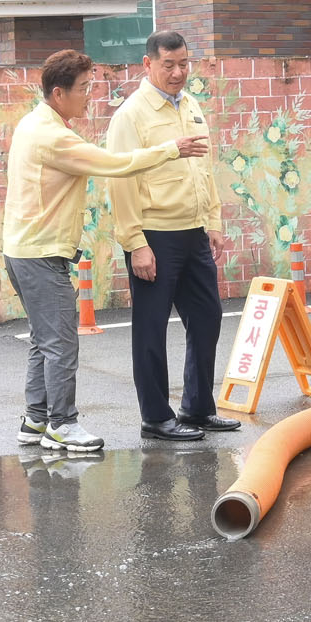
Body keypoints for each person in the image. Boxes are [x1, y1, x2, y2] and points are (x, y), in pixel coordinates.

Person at [3, 49, 207, 452]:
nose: (90, 96)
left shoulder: (35, 123)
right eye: (84, 88)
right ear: (59, 93)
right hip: (40, 253)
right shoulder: (53, 136)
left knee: (44, 340)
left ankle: (35, 420)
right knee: (60, 343)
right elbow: (116, 164)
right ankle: (62, 425)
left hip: (24, 250)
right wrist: (172, 149)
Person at [107, 30, 240, 442]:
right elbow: (121, 181)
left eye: (184, 64)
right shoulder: (131, 115)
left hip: (193, 232)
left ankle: (197, 407)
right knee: (151, 329)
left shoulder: (191, 105)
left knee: (207, 317)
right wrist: (136, 244)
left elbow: (204, 168)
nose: (178, 73)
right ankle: (155, 417)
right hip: (154, 236)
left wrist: (213, 222)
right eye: (169, 65)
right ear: (148, 64)